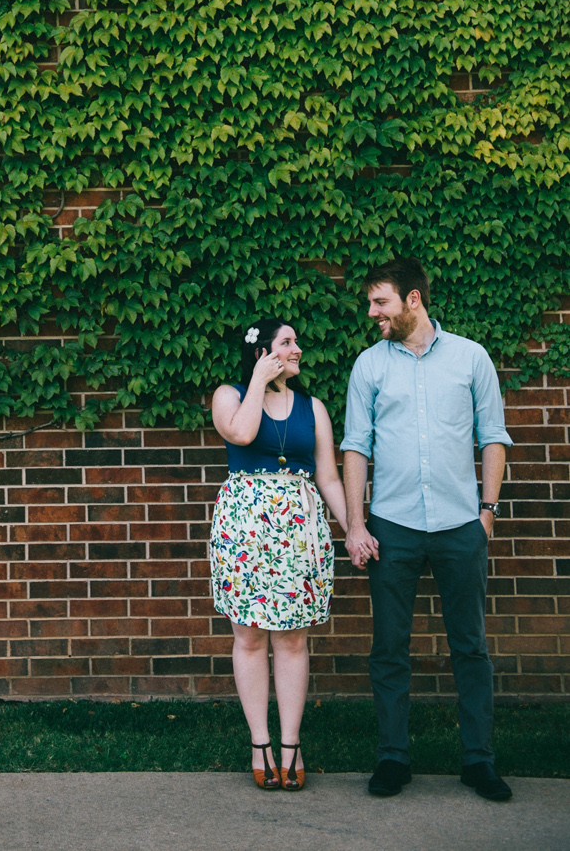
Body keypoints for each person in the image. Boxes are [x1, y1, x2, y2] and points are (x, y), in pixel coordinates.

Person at [342, 256, 513, 802]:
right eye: (371, 303)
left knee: (470, 647)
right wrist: (356, 523)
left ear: (412, 299)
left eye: (381, 302)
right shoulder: (369, 366)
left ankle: (479, 762)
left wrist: (486, 514)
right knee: (389, 648)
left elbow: (493, 436)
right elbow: (355, 447)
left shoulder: (470, 357)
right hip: (392, 528)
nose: (372, 313)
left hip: (461, 525)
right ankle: (393, 759)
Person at [210, 318, 348, 791]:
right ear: (262, 353)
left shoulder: (313, 408)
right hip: (244, 532)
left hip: (298, 532)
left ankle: (291, 745)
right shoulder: (228, 396)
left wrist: (354, 529)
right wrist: (257, 382)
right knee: (250, 638)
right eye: (286, 342)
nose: (297, 349)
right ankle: (259, 743)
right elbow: (242, 434)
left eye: (296, 341)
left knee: (292, 639)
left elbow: (328, 477)